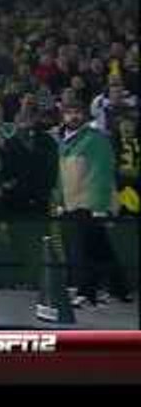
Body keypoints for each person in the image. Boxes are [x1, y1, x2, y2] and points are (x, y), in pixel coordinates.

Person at [54, 100, 131, 307]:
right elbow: (62, 175)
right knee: (100, 248)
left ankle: (87, 293)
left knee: (87, 249)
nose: (73, 116)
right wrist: (60, 200)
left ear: (85, 116)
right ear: (63, 116)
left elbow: (102, 173)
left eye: (77, 112)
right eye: (69, 113)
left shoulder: (95, 139)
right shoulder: (66, 141)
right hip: (74, 203)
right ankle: (120, 289)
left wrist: (98, 206)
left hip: (89, 204)